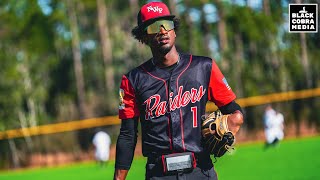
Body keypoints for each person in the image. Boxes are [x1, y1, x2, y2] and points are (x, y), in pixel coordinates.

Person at [114, 2, 243, 180]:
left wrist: (234, 121)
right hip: (159, 174)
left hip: (200, 170)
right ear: (144, 36)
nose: (162, 30)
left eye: (167, 24)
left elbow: (233, 109)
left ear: (174, 30)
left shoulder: (204, 67)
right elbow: (128, 135)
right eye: (154, 27)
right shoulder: (133, 80)